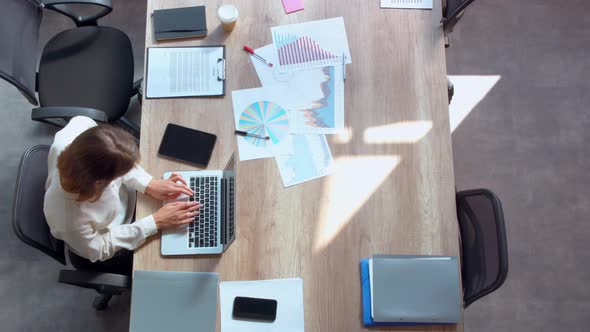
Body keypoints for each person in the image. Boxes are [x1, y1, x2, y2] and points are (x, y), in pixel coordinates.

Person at [44, 116, 200, 274]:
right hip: (108, 240)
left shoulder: (78, 131)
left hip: (126, 202)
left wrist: (148, 183)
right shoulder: (68, 220)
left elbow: (112, 155)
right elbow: (100, 248)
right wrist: (155, 222)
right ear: (100, 182)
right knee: (175, 264)